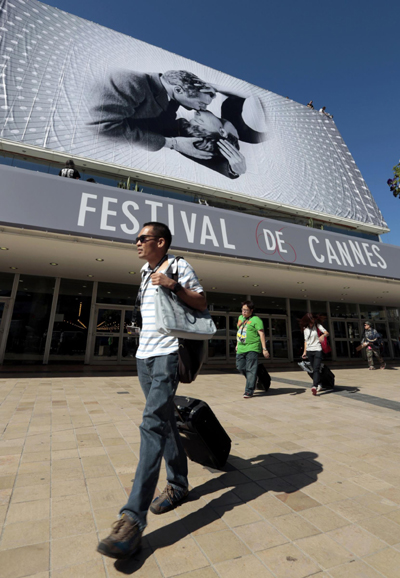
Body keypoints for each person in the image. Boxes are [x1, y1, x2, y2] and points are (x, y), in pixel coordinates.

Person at [97, 222, 206, 560]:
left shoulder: (177, 266)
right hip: (143, 358)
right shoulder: (144, 272)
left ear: (160, 242)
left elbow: (201, 303)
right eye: (136, 239)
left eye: (142, 238)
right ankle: (178, 485)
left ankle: (132, 520)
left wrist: (173, 285)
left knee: (151, 425)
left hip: (167, 357)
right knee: (165, 421)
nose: (137, 243)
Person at [89, 69, 218, 160]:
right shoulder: (134, 82)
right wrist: (172, 143)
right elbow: (103, 127)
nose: (204, 108)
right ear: (178, 90)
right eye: (201, 103)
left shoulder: (169, 101)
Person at [236, 300, 270, 398]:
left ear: (251, 310)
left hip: (253, 347)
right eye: (242, 310)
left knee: (250, 369)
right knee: (240, 367)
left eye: (246, 310)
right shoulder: (240, 318)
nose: (243, 312)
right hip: (241, 347)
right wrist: (238, 344)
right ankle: (253, 378)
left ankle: (249, 390)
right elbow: (239, 332)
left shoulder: (256, 320)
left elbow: (262, 334)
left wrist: (264, 349)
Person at [300, 313, 330, 395]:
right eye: (311, 319)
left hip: (317, 349)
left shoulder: (318, 326)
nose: (313, 320)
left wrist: (323, 335)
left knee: (316, 368)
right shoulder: (305, 329)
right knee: (314, 369)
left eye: (313, 319)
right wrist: (304, 352)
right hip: (309, 351)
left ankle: (314, 386)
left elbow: (327, 333)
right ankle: (319, 383)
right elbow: (306, 341)